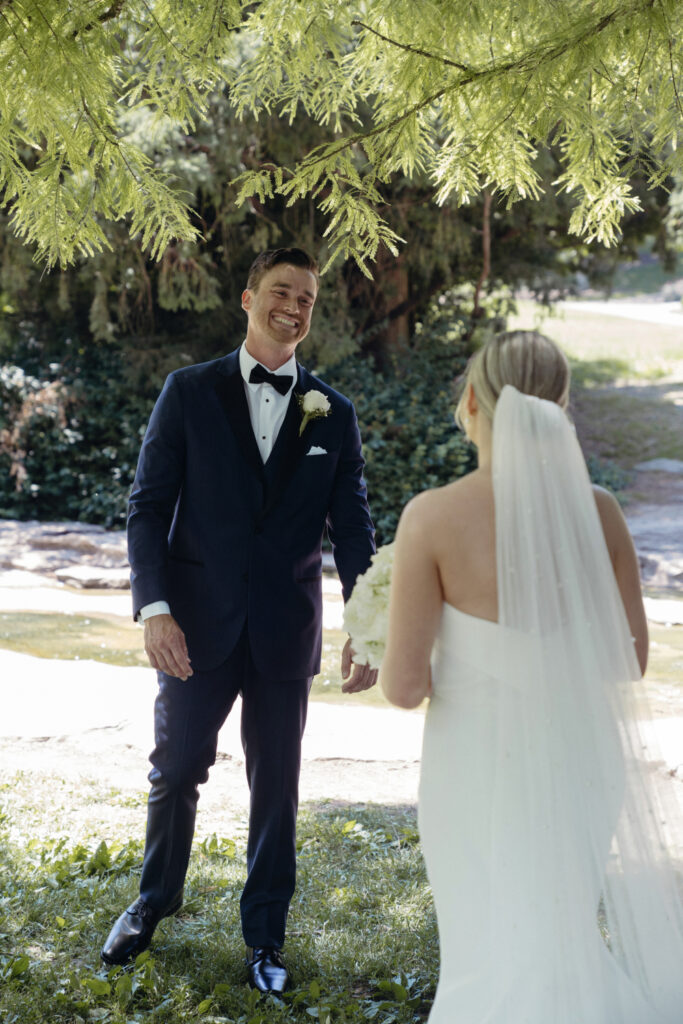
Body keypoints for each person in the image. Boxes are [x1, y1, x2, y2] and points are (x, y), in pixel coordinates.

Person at [380, 330, 683, 1023]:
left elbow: (401, 688)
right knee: (560, 926)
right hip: (580, 757)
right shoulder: (599, 511)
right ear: (559, 406)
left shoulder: (430, 516)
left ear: (470, 403)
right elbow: (627, 661)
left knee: (486, 935)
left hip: (476, 766)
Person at [101, 247, 377, 992]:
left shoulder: (333, 413)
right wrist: (154, 610)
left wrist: (369, 623)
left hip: (285, 628)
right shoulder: (187, 392)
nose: (294, 307)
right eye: (282, 292)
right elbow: (148, 508)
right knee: (177, 768)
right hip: (193, 624)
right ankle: (153, 900)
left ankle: (265, 937)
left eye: (308, 299)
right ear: (249, 298)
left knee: (277, 784)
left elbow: (351, 529)